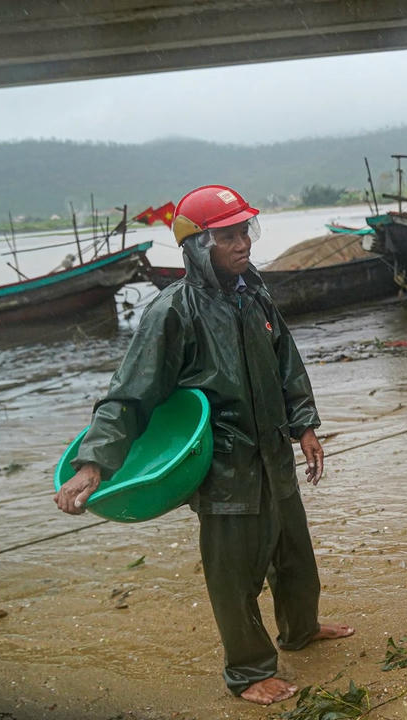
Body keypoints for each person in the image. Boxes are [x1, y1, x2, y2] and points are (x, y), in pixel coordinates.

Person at [54, 185, 353, 705]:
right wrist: (94, 464)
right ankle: (249, 672)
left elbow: (288, 365)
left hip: (273, 459)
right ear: (196, 246)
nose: (243, 244)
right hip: (226, 469)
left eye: (246, 232)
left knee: (295, 555)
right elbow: (129, 396)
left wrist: (303, 427)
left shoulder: (253, 294)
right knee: (234, 575)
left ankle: (301, 629)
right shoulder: (173, 312)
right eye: (228, 236)